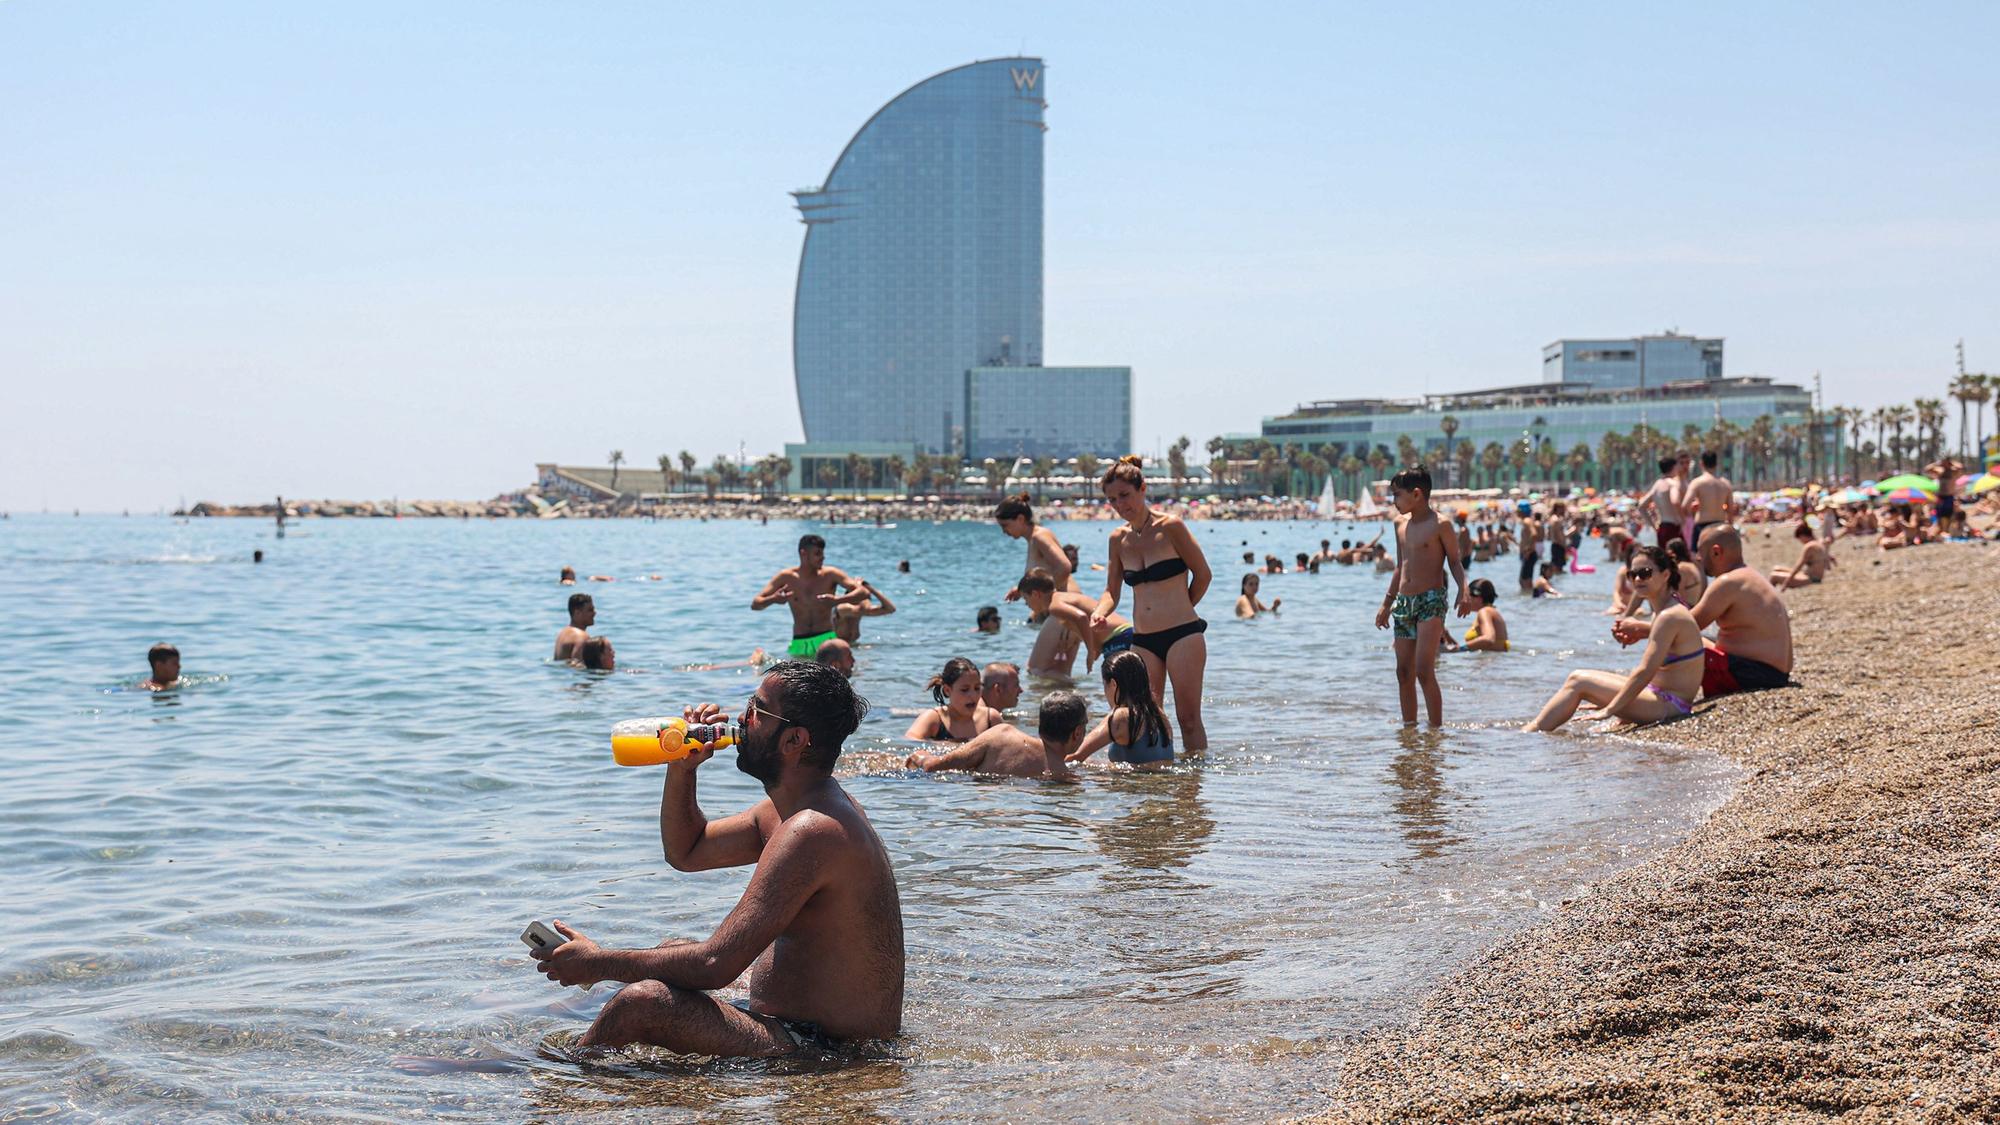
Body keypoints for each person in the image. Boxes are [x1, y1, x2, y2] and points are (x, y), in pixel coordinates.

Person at [528, 661, 902, 1055]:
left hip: (829, 1049)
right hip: (792, 1024)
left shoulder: (813, 830)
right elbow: (686, 851)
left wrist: (597, 963)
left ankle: (551, 1077)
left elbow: (715, 965)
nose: (742, 718)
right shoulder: (796, 810)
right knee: (671, 946)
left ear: (793, 741)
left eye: (757, 710)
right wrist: (683, 767)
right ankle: (575, 1030)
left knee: (642, 1003)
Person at [1090, 456, 1213, 752]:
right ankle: (1157, 782)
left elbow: (1204, 575)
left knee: (1189, 719)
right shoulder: (1118, 539)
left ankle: (1193, 789)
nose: (1120, 505)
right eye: (1112, 500)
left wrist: (1183, 608)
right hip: (1143, 640)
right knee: (1147, 716)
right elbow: (1111, 591)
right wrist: (1099, 612)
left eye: (1124, 496)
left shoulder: (1171, 527)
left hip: (1182, 634)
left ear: (1142, 488)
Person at [1527, 547, 1706, 731]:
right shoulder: (1664, 610)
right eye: (1632, 574)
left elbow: (1645, 671)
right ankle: (1532, 731)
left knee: (1579, 680)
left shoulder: (1669, 616)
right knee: (1579, 679)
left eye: (1645, 573)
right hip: (1659, 696)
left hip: (1670, 706)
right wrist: (1612, 697)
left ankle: (1529, 734)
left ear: (1666, 574)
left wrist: (1610, 708)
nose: (1637, 579)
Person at [1613, 525, 1793, 699]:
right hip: (1771, 673)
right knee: (1687, 639)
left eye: (1699, 551)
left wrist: (1638, 628)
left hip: (1752, 675)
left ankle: (1652, 698)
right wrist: (1644, 630)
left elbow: (1688, 626)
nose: (1697, 557)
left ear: (1716, 552)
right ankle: (1645, 693)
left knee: (1677, 642)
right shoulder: (1749, 575)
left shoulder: (1728, 582)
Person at [1375, 466, 1470, 728]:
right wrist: (1386, 603)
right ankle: (1409, 731)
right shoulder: (1399, 525)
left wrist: (1464, 590)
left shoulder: (1441, 524)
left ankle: (1435, 731)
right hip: (1404, 603)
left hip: (1431, 600)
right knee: (1403, 672)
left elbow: (1454, 561)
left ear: (1416, 494)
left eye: (1397, 495)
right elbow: (1400, 566)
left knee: (1423, 670)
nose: (1394, 501)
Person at [904, 691, 1085, 780]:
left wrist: (921, 756)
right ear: (1077, 732)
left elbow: (933, 766)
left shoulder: (1003, 735)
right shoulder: (1062, 776)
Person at [995, 493, 1083, 675]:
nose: (1004, 531)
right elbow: (1046, 574)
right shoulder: (1035, 538)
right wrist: (1021, 590)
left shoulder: (1040, 537)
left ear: (1020, 519)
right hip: (1068, 609)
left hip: (1064, 610)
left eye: (1005, 525)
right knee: (1059, 673)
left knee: (1035, 670)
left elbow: (1064, 567)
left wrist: (1048, 601)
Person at [752, 534, 862, 660]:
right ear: (803, 553)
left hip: (826, 639)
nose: (822, 557)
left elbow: (862, 592)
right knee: (800, 679)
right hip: (800, 642)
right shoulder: (786, 577)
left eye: (822, 553)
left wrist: (837, 600)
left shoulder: (830, 574)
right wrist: (773, 600)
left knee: (833, 679)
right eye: (817, 553)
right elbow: (755, 604)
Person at [1068, 651, 1175, 769]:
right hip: (1159, 784)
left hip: (1129, 786)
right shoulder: (1159, 715)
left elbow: (1075, 756)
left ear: (1113, 684)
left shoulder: (1121, 716)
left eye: (1105, 685)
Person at [1017, 568, 1132, 675]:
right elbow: (1085, 623)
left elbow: (1081, 618)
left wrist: (1090, 652)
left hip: (1117, 637)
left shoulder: (1054, 605)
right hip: (1123, 634)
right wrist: (1095, 649)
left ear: (1036, 594)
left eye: (1025, 599)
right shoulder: (1062, 599)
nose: (1026, 604)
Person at [904, 657, 1006, 743]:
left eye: (977, 688)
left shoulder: (991, 719)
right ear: (947, 690)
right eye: (964, 690)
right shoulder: (934, 719)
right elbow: (909, 742)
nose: (973, 695)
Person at [1684, 450, 1736, 547]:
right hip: (1720, 526)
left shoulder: (1697, 482)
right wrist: (1730, 528)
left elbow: (1685, 505)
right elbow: (1730, 510)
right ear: (1716, 463)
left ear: (1701, 463)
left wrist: (1690, 515)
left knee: (1700, 558)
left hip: (1702, 526)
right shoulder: (1726, 484)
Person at [1639, 455, 1687, 548]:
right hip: (1674, 527)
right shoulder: (1673, 483)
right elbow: (1675, 501)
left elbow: (1641, 506)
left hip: (1662, 527)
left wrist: (1653, 525)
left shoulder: (1657, 485)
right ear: (1674, 467)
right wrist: (1683, 521)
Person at [1771, 521, 1834, 588]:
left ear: (1803, 536)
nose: (1801, 541)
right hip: (1811, 575)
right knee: (1776, 568)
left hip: (1812, 579)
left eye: (1800, 539)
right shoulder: (1818, 543)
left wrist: (1786, 583)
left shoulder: (1809, 546)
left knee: (1774, 576)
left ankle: (1770, 597)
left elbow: (1799, 566)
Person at [831, 580, 895, 644]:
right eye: (864, 595)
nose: (868, 598)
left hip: (849, 646)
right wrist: (860, 588)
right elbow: (863, 609)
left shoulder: (860, 610)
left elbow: (890, 609)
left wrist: (871, 589)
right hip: (836, 647)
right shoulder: (843, 608)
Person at [1462, 578, 1508, 652]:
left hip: (1488, 662)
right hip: (1496, 661)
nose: (1465, 600)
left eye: (1467, 596)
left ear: (1478, 598)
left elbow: (1488, 639)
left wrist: (1460, 649)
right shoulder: (1492, 611)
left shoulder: (1484, 612)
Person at [1664, 536, 1705, 604]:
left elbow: (1679, 594)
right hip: (1696, 603)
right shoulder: (1693, 565)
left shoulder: (1682, 569)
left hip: (1688, 607)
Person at [554, 594, 594, 661]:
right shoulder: (581, 637)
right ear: (577, 613)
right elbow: (578, 668)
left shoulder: (563, 633)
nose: (594, 613)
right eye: (590, 610)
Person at [1516, 503, 1543, 594]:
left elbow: (1534, 534)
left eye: (1518, 510)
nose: (1517, 512)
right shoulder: (1528, 520)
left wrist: (1528, 550)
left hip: (1529, 554)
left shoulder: (1527, 521)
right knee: (1526, 581)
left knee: (1524, 581)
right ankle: (1532, 598)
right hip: (1530, 554)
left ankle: (1530, 599)